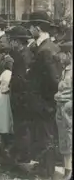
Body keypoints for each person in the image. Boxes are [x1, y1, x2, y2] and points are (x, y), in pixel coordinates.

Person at [27, 11, 62, 179]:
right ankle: (43, 166)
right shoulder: (46, 47)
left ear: (38, 28)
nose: (29, 30)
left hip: (44, 102)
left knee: (46, 136)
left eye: (31, 27)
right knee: (42, 135)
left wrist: (47, 102)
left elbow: (53, 79)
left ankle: (47, 171)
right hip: (41, 101)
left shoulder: (46, 50)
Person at [7, 25, 35, 164]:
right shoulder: (23, 54)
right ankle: (20, 152)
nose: (10, 43)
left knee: (22, 126)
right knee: (19, 125)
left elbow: (23, 78)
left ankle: (25, 155)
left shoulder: (24, 56)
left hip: (22, 97)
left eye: (11, 40)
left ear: (17, 41)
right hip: (19, 95)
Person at [54, 40, 72, 180]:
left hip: (69, 108)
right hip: (62, 108)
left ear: (69, 54)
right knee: (65, 139)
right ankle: (67, 169)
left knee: (69, 138)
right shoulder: (65, 69)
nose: (59, 56)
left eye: (62, 53)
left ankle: (69, 171)